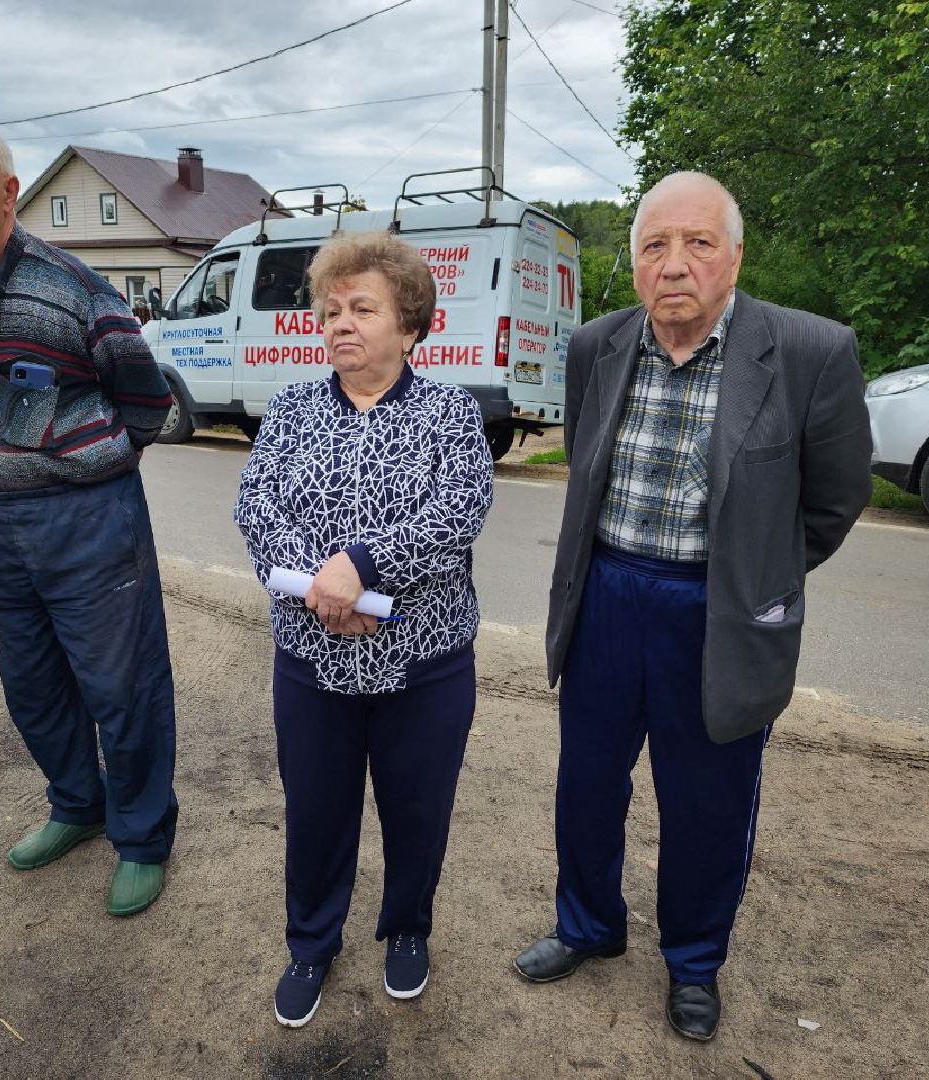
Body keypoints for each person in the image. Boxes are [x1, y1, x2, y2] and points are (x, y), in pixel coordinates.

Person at [513, 172, 872, 1042]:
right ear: (634, 263)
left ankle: (694, 963)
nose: (675, 264)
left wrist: (755, 577)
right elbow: (588, 477)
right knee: (587, 788)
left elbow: (834, 499)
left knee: (707, 806)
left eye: (698, 243)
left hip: (715, 616)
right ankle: (588, 926)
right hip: (605, 597)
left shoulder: (810, 352)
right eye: (653, 246)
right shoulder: (597, 344)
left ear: (735, 254)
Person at [0, 118, 178, 917]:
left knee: (121, 685)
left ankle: (142, 837)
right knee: (31, 684)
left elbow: (148, 402)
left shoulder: (76, 291)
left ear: (7, 190)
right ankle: (77, 804)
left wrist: (87, 468)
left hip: (90, 519)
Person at [235, 232, 494, 1028]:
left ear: (410, 324)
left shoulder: (452, 413)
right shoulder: (290, 410)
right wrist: (321, 587)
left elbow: (459, 513)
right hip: (313, 658)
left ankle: (407, 930)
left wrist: (361, 565)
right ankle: (312, 941)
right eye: (331, 309)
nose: (340, 323)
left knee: (418, 811)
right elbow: (255, 507)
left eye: (363, 308)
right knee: (316, 811)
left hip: (425, 665)